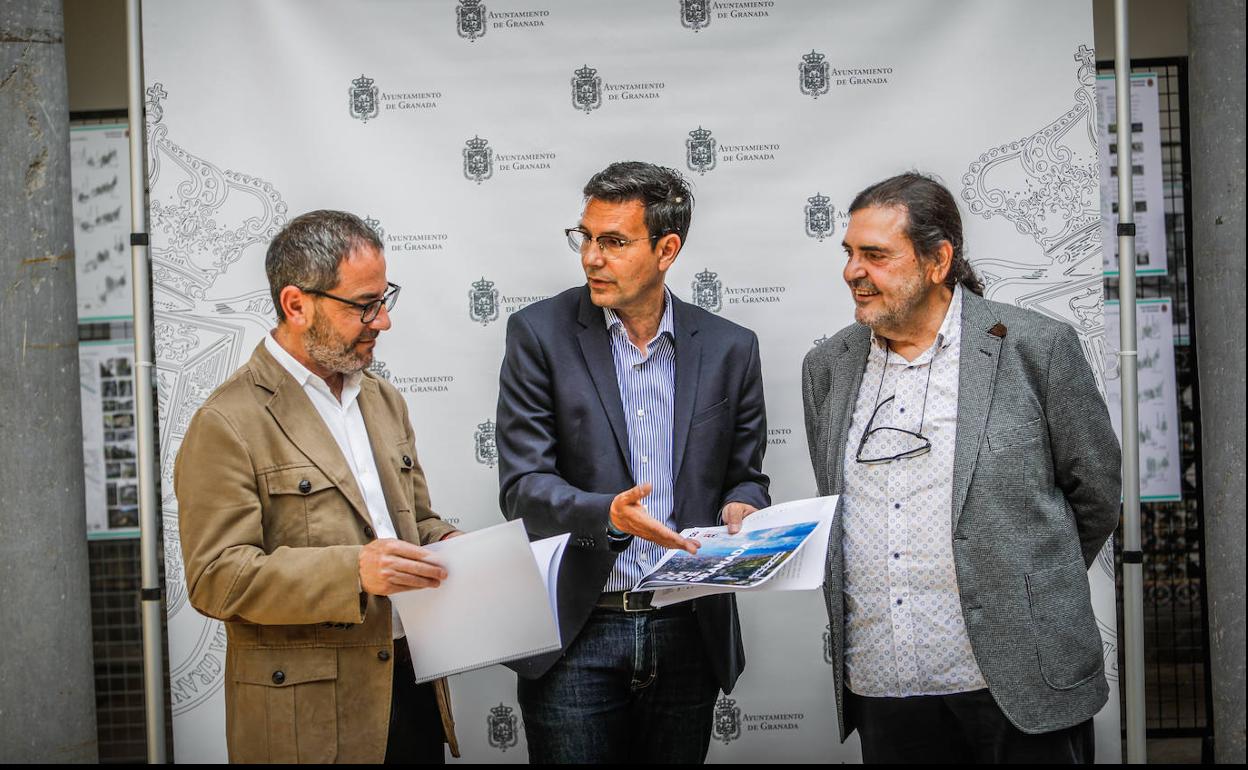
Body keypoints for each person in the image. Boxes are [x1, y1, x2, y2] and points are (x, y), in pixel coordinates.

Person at [802, 173, 1121, 763]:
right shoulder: (828, 367)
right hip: (887, 680)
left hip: (1020, 675)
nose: (852, 271)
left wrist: (1025, 581)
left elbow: (1096, 493)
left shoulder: (1035, 346)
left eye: (875, 254)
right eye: (849, 253)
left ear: (938, 261)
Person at [496, 161, 770, 763]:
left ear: (667, 249)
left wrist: (744, 506)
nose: (591, 258)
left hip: (688, 630)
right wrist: (608, 515)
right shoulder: (538, 335)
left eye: (614, 242)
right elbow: (522, 487)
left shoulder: (730, 347)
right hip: (577, 632)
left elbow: (746, 475)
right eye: (585, 237)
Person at [175, 210, 461, 763]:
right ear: (296, 305)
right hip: (309, 722)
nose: (383, 321)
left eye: (385, 299)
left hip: (412, 689)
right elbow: (215, 578)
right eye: (364, 305)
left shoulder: (383, 399)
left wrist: (446, 542)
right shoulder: (226, 421)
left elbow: (414, 521)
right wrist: (354, 571)